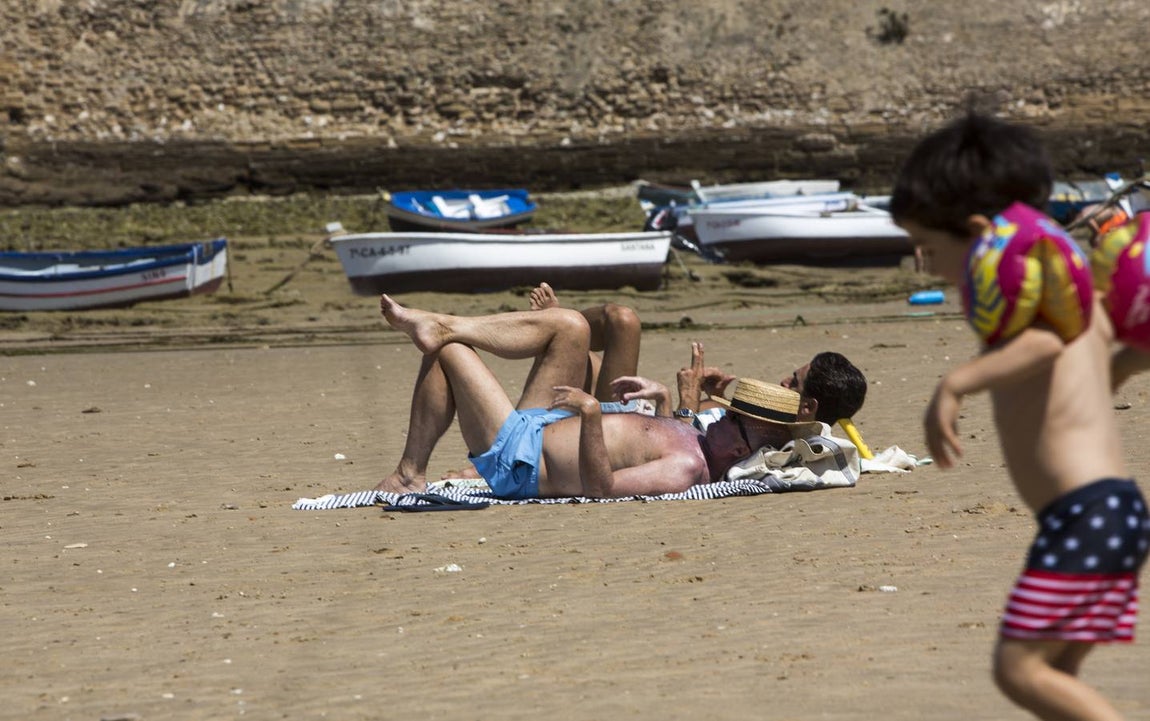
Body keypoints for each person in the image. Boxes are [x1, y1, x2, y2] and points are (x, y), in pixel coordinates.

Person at [890, 111, 1150, 721]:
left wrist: (953, 386)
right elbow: (1124, 348)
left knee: (1019, 669)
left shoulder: (1038, 319)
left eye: (928, 248)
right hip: (1113, 512)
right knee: (1055, 677)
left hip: (1086, 516)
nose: (926, 267)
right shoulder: (1079, 296)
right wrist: (1117, 370)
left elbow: (1046, 348)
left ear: (981, 235)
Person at [375, 293, 820, 499]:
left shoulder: (687, 468)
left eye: (730, 419)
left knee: (448, 352)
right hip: (543, 426)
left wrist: (590, 413)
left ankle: (409, 473)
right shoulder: (703, 443)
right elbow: (667, 434)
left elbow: (602, 487)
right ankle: (447, 323)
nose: (718, 418)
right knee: (570, 326)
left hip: (520, 458)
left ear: (742, 446)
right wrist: (666, 401)